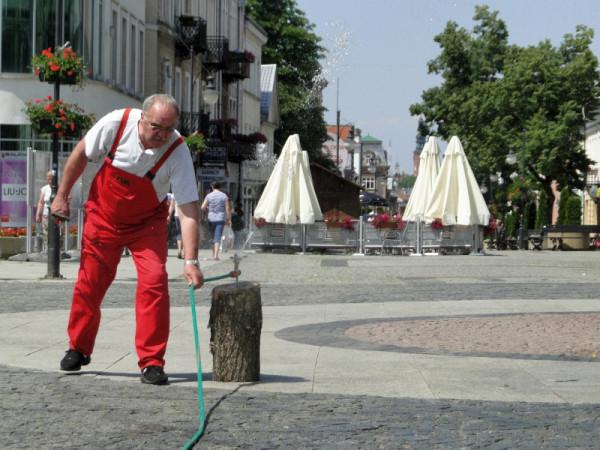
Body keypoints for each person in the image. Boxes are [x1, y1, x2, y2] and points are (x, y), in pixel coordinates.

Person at [51, 94, 204, 385]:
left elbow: (187, 208)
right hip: (104, 218)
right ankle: (78, 348)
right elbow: (81, 154)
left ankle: (151, 362)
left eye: (169, 129)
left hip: (147, 225)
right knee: (89, 284)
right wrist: (61, 196)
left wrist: (191, 261)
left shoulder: (178, 150)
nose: (161, 135)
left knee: (155, 281)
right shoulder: (117, 123)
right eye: (156, 127)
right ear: (142, 119)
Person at [201, 181, 231, 260]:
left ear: (212, 187)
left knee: (212, 237)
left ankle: (213, 253)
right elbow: (227, 208)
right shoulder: (224, 196)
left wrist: (208, 208)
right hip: (220, 218)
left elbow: (202, 207)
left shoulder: (209, 196)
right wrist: (228, 218)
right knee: (217, 237)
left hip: (211, 218)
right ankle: (216, 255)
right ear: (220, 187)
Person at [35, 171, 54, 253]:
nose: (49, 181)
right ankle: (46, 249)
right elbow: (41, 202)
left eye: (51, 179)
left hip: (56, 215)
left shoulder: (60, 188)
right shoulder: (45, 189)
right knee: (45, 232)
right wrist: (38, 214)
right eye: (48, 179)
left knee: (56, 233)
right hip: (46, 214)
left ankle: (55, 249)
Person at [168, 193, 183, 258]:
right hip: (186, 216)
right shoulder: (188, 190)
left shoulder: (175, 193)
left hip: (177, 215)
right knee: (185, 233)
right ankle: (183, 252)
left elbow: (172, 206)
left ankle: (179, 250)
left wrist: (169, 215)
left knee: (179, 233)